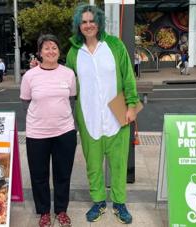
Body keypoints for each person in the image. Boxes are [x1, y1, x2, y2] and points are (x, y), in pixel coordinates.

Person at [66, 4, 139, 224]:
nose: (88, 25)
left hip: (117, 111)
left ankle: (119, 203)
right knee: (93, 165)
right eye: (84, 22)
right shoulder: (73, 52)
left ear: (99, 23)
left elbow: (128, 77)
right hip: (88, 115)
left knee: (118, 163)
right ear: (79, 25)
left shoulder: (115, 45)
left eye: (92, 21)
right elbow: (67, 82)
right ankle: (98, 202)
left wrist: (132, 106)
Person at [20, 34, 77, 227]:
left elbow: (71, 97)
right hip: (37, 133)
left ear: (59, 51)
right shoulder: (29, 76)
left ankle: (61, 210)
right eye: (46, 48)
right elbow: (26, 100)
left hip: (65, 132)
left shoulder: (68, 73)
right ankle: (43, 211)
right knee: (39, 175)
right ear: (40, 52)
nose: (51, 51)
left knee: (63, 174)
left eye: (54, 47)